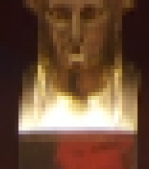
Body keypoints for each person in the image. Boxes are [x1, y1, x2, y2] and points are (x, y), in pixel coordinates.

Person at [20, 0, 136, 131]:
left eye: (90, 14)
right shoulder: (12, 94)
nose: (75, 35)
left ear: (116, 14)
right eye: (60, 14)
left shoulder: (137, 97)